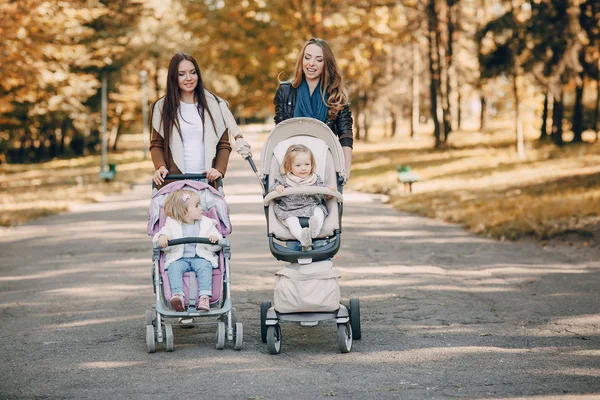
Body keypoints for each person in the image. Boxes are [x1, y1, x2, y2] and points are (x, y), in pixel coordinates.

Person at [150, 52, 251, 188]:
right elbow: (156, 144)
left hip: (206, 180)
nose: (189, 78)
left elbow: (224, 144)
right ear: (173, 77)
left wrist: (219, 170)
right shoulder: (162, 107)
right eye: (181, 74)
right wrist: (160, 166)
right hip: (174, 181)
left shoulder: (216, 105)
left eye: (193, 72)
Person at [274, 38, 353, 179]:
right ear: (301, 60)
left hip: (324, 160)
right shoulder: (285, 91)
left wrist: (346, 169)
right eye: (307, 57)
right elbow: (280, 131)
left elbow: (345, 134)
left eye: (319, 60)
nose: (311, 63)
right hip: (291, 161)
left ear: (326, 64)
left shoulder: (336, 95)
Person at [153, 189, 223, 312]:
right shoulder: (172, 224)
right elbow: (163, 233)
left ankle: (204, 297)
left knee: (205, 266)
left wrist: (214, 238)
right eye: (197, 205)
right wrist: (162, 238)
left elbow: (218, 239)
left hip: (200, 257)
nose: (201, 208)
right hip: (180, 258)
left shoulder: (207, 223)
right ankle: (178, 296)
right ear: (185, 212)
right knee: (173, 268)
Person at [269, 144, 333, 248]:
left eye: (307, 164)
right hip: (289, 210)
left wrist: (328, 192)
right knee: (292, 222)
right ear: (289, 166)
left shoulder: (314, 179)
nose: (303, 168)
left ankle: (314, 230)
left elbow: (322, 191)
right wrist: (278, 189)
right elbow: (272, 191)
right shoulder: (284, 179)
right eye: (298, 166)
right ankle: (302, 238)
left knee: (319, 212)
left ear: (312, 165)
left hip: (311, 206)